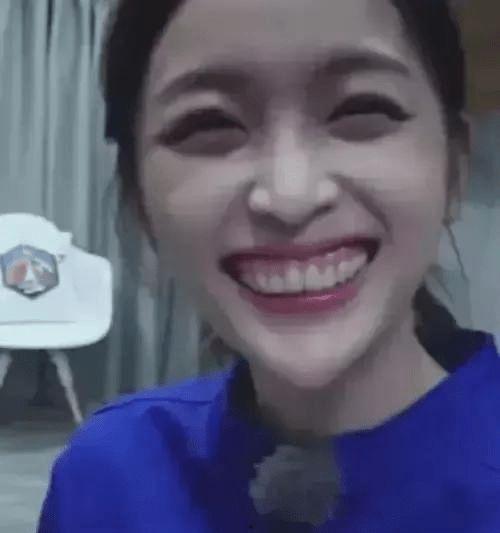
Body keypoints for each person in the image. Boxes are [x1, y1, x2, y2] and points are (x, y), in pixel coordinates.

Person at [38, 0, 500, 531]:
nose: (290, 197)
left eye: (361, 108)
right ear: (140, 202)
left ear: (454, 169)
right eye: (208, 122)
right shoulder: (107, 477)